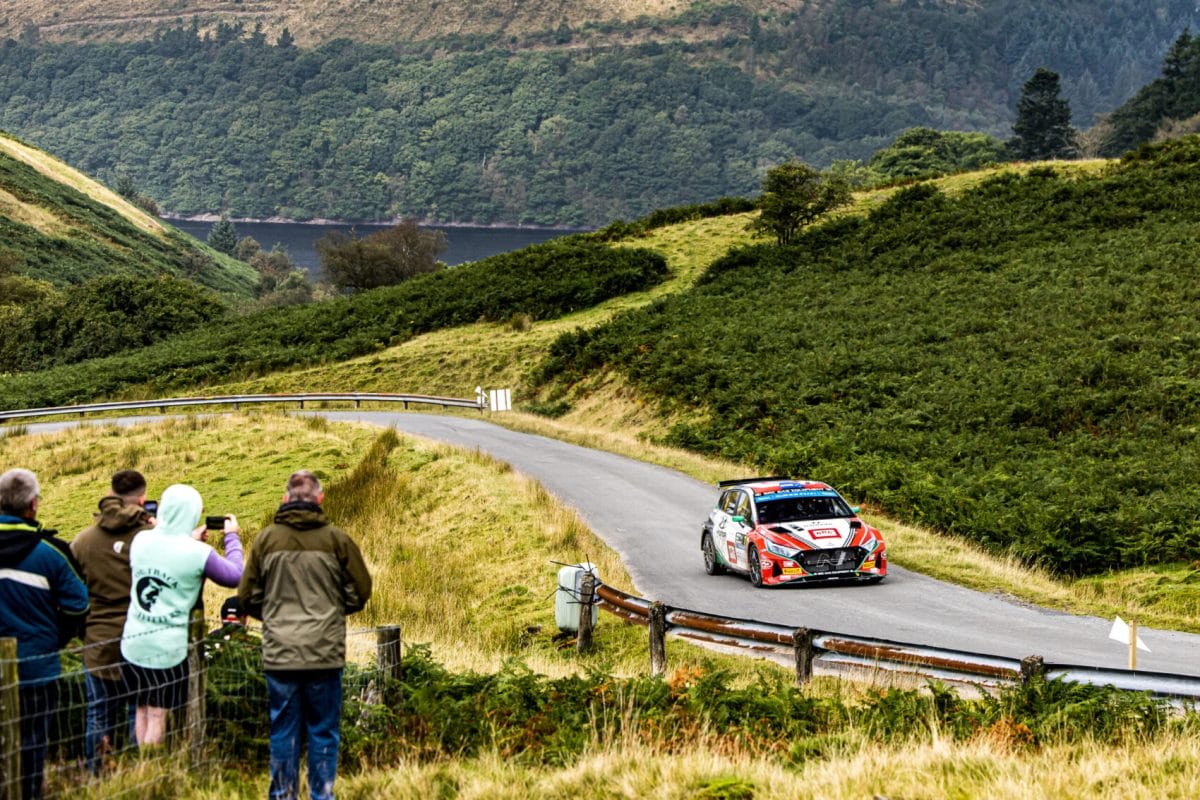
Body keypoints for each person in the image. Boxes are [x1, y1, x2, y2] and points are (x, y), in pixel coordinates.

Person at [239, 470, 372, 800]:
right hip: (323, 652)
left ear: (286, 499)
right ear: (320, 499)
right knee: (323, 731)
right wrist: (333, 611)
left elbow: (246, 595)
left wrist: (271, 616)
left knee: (283, 729)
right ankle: (322, 795)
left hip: (280, 651)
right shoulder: (336, 540)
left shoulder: (266, 540)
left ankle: (282, 795)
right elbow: (362, 589)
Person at [120, 483, 243, 747]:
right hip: (167, 650)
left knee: (141, 709)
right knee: (157, 714)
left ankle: (139, 769)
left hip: (133, 642)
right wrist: (232, 537)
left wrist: (188, 538)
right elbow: (235, 575)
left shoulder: (141, 540)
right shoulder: (196, 553)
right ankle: (152, 771)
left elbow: (167, 550)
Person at [0, 468, 89, 800]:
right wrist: (57, 638)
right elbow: (79, 605)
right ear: (33, 505)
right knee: (32, 746)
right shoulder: (49, 554)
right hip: (37, 668)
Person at [70, 469, 155, 774]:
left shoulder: (83, 542)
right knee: (139, 710)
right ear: (142, 499)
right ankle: (139, 776)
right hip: (142, 639)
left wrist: (84, 630)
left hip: (99, 641)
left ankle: (97, 773)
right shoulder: (149, 539)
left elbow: (71, 594)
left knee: (98, 713)